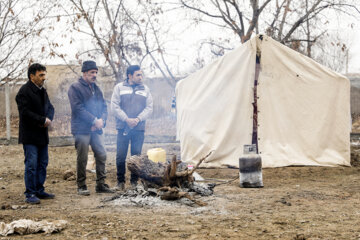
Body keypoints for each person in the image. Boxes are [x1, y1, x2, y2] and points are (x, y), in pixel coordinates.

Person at [68, 60, 114, 195]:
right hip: (82, 129)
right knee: (82, 157)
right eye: (92, 72)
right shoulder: (75, 88)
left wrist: (102, 121)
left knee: (101, 154)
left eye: (96, 72)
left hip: (97, 129)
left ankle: (101, 184)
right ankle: (81, 185)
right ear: (84, 73)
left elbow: (104, 107)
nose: (94, 75)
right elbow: (78, 109)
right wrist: (94, 120)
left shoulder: (96, 88)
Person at [15, 63, 55, 204]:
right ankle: (30, 193)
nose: (44, 78)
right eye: (41, 75)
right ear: (32, 76)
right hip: (30, 135)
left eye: (44, 74)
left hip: (42, 134)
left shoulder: (42, 91)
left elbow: (50, 107)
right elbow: (25, 113)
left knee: (43, 163)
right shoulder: (24, 92)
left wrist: (48, 119)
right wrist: (42, 120)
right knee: (31, 164)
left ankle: (39, 189)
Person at [111, 65, 153, 190]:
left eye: (141, 74)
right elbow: (114, 106)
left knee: (136, 156)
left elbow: (149, 108)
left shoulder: (145, 89)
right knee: (120, 155)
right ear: (130, 76)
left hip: (139, 128)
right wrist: (126, 119)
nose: (141, 77)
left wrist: (138, 119)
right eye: (138, 75)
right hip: (123, 127)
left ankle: (134, 183)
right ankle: (120, 182)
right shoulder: (119, 88)